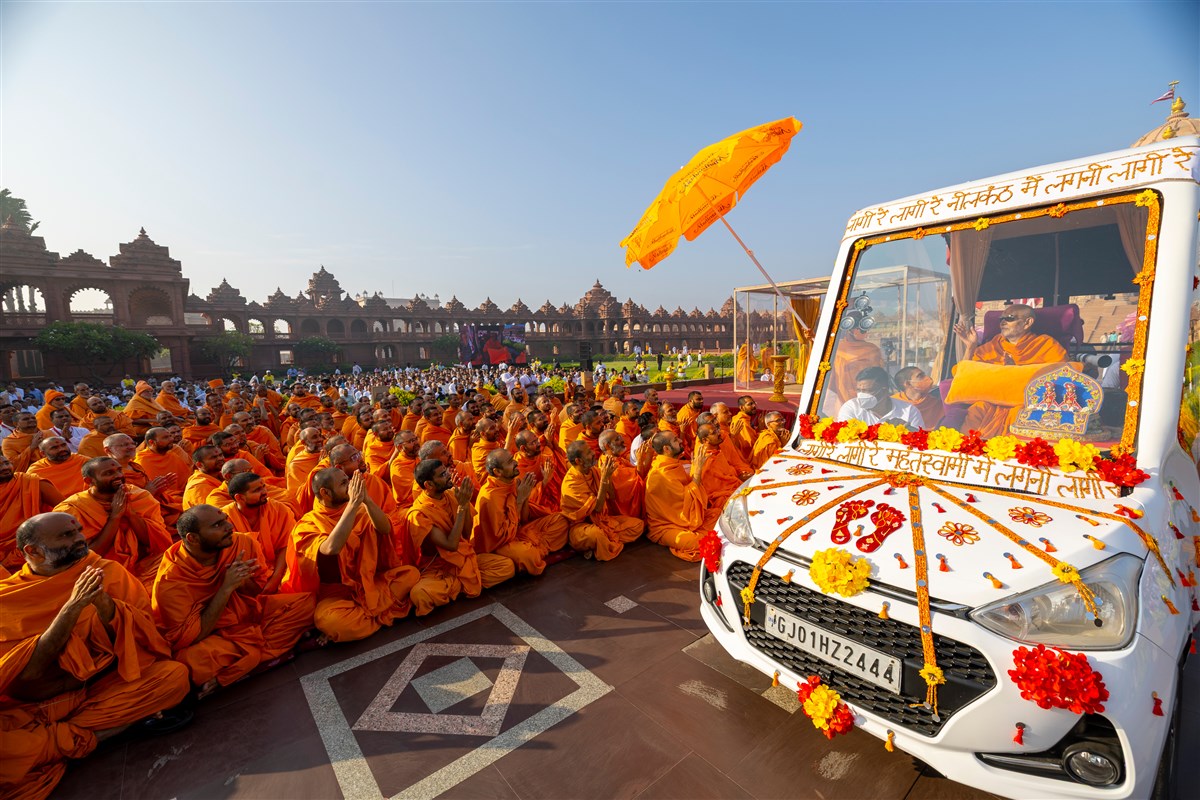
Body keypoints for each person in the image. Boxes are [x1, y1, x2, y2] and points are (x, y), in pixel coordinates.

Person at [0, 513, 191, 799]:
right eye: (66, 535)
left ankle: (66, 742)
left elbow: (143, 640)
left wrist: (104, 606)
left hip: (98, 690)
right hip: (31, 709)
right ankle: (94, 734)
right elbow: (24, 674)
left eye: (77, 530)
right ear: (32, 551)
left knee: (173, 677)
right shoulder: (8, 599)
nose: (79, 538)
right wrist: (71, 610)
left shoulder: (105, 571)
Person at [151, 505, 315, 697]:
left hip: (247, 615)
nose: (229, 527)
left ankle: (247, 662)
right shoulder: (171, 582)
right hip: (214, 635)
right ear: (193, 538)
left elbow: (258, 594)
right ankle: (259, 654)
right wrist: (226, 588)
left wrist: (243, 581)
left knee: (307, 603)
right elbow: (191, 637)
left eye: (226, 520)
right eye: (218, 525)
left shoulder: (240, 543)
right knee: (189, 661)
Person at [282, 469, 419, 643]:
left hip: (369, 583)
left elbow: (385, 529)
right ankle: (379, 614)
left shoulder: (359, 509)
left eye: (348, 481)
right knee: (330, 621)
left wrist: (367, 501)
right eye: (343, 484)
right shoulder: (307, 524)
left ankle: (367, 618)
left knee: (411, 575)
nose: (350, 487)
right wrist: (354, 505)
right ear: (325, 492)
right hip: (336, 596)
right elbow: (331, 548)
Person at [407, 460, 514, 616]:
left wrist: (463, 503)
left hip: (463, 559)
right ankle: (466, 582)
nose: (449, 475)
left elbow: (466, 534)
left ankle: (459, 585)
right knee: (420, 594)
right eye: (443, 475)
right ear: (429, 484)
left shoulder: (452, 495)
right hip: (438, 567)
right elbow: (451, 545)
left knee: (507, 566)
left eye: (446, 471)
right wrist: (462, 507)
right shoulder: (419, 513)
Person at [54, 457, 174, 588]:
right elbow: (85, 557)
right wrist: (115, 518)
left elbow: (157, 542)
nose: (118, 476)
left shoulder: (138, 495)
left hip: (146, 563)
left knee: (176, 564)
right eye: (108, 473)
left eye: (118, 470)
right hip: (103, 570)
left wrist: (131, 515)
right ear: (89, 481)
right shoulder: (72, 509)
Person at [953, 304, 1068, 436]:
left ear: (1027, 322)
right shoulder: (992, 346)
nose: (1002, 322)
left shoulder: (1046, 345)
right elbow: (962, 375)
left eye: (1009, 318)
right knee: (976, 411)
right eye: (1001, 319)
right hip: (990, 404)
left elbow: (1063, 376)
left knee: (1023, 416)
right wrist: (970, 347)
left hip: (1025, 404)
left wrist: (1016, 370)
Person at [474, 448, 568, 576]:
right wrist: (519, 500)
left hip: (517, 531)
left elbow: (523, 519)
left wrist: (525, 498)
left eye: (513, 459)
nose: (515, 463)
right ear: (497, 472)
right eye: (510, 462)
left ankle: (535, 549)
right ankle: (533, 551)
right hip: (499, 544)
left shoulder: (513, 482)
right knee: (528, 555)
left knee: (561, 520)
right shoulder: (490, 496)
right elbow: (500, 536)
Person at [560, 441, 643, 561]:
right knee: (596, 535)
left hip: (603, 520)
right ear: (578, 461)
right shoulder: (571, 484)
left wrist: (608, 476)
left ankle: (604, 543)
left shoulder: (594, 471)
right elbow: (597, 508)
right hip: (581, 528)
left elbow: (612, 496)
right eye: (588, 452)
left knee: (638, 525)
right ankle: (604, 542)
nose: (594, 453)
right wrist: (604, 479)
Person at [220, 472, 297, 594]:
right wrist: (252, 585)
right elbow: (227, 560)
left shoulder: (278, 509)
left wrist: (275, 579)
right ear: (239, 498)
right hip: (244, 579)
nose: (265, 492)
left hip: (280, 569)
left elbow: (287, 546)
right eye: (257, 490)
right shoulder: (224, 519)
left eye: (264, 487)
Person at [644, 431, 709, 562]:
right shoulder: (660, 474)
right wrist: (697, 471)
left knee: (718, 514)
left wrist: (696, 468)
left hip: (684, 517)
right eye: (675, 440)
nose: (680, 440)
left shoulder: (673, 464)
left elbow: (687, 492)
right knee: (694, 541)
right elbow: (685, 498)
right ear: (666, 449)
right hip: (665, 526)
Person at [0, 455, 62, 571]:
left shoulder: (30, 482)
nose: (5, 467)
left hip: (37, 547)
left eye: (6, 463)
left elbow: (64, 508)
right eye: (0, 465)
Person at [837, 366, 925, 428]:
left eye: (868, 391)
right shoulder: (851, 407)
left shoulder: (909, 411)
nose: (861, 395)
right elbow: (846, 440)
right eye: (859, 390)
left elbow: (918, 442)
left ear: (884, 390)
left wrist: (906, 429)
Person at [828, 328, 886, 412]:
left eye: (864, 329)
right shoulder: (837, 350)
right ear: (848, 329)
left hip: (868, 393)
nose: (862, 332)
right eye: (858, 329)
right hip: (843, 395)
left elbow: (878, 375)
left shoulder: (872, 349)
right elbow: (831, 379)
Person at [183, 445, 227, 510]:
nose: (220, 458)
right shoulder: (198, 487)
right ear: (199, 464)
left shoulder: (223, 476)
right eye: (213, 457)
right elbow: (210, 512)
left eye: (221, 455)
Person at [729, 395, 759, 462]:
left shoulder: (742, 418)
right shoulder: (742, 422)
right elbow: (749, 445)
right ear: (742, 407)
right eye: (750, 404)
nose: (754, 406)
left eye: (754, 403)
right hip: (746, 458)